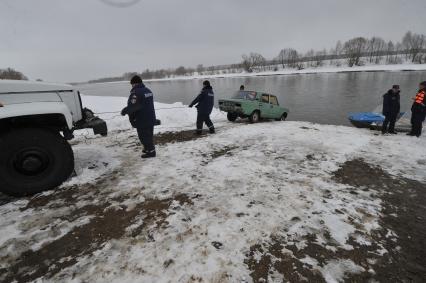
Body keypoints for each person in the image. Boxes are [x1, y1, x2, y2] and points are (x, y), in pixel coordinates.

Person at [121, 75, 157, 158]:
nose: (132, 86)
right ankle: (147, 148)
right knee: (149, 134)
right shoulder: (148, 90)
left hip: (142, 118)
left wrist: (125, 111)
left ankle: (151, 152)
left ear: (134, 84)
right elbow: (143, 104)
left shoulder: (135, 93)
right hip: (150, 117)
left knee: (144, 136)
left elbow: (133, 107)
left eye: (132, 84)